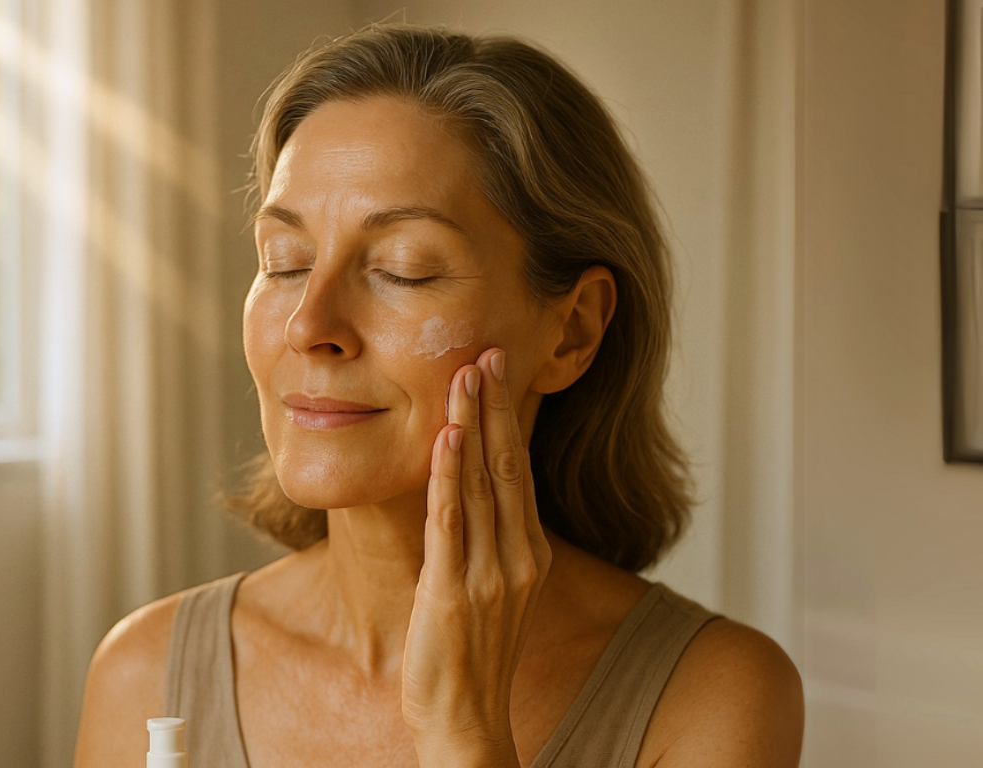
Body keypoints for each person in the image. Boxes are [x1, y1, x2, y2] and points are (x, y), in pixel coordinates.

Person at [73, 23, 804, 768]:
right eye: (285, 261)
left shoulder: (711, 697)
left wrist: (465, 732)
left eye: (404, 269)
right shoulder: (145, 673)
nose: (308, 325)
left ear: (572, 332)